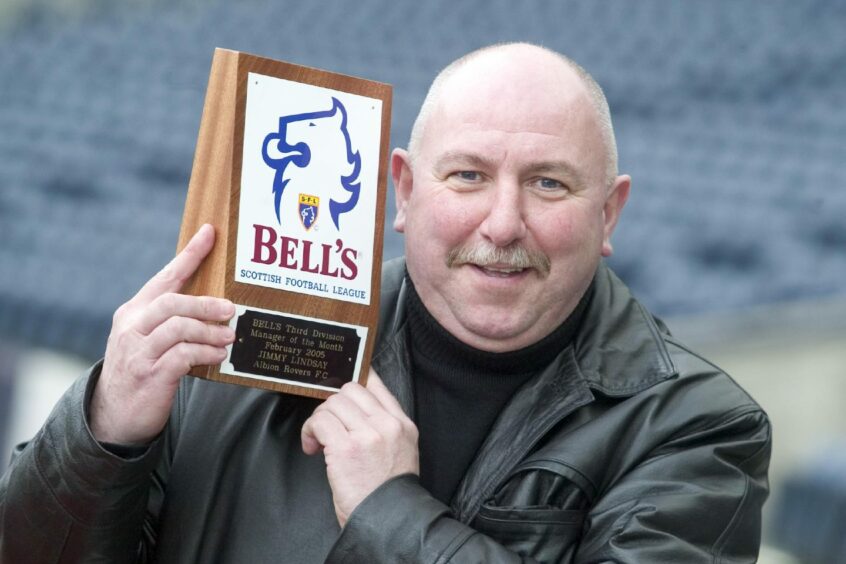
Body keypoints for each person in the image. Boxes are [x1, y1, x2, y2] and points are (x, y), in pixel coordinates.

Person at [0, 42, 771, 563]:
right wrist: (103, 432)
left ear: (609, 213)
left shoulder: (698, 428)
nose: (501, 224)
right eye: (466, 175)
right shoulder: (242, 331)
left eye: (548, 183)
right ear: (402, 191)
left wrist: (391, 510)